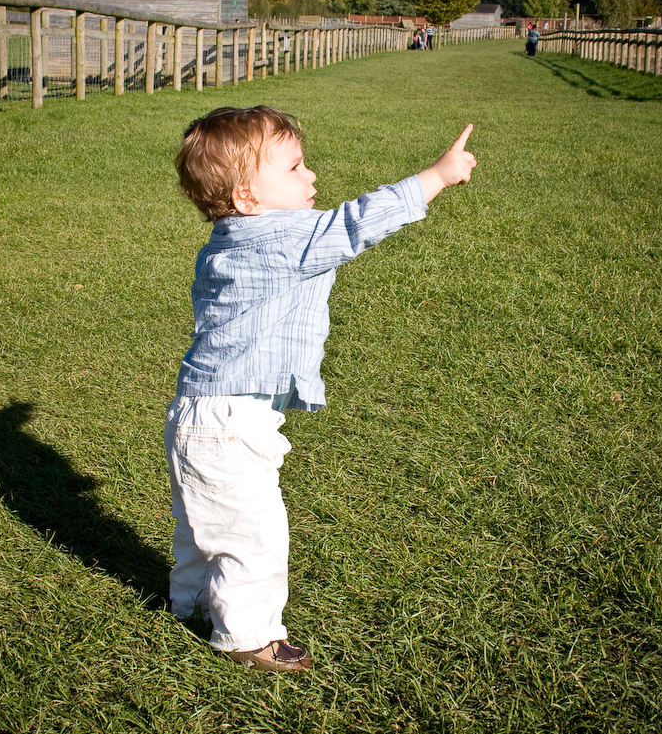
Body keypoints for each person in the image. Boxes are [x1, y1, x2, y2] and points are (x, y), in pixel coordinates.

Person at [166, 106, 477, 672]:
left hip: (202, 415)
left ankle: (187, 600)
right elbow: (354, 224)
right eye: (294, 168)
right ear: (246, 197)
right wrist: (437, 176)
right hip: (231, 425)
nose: (312, 178)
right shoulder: (279, 240)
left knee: (203, 520)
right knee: (252, 536)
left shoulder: (230, 238)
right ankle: (250, 640)